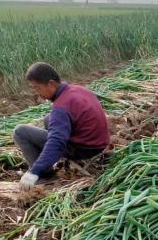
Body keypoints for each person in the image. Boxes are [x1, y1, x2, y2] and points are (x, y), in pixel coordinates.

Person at [13, 62, 110, 191]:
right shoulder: (78, 89)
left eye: (38, 88)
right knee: (48, 119)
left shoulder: (61, 108)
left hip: (84, 148)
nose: (38, 94)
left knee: (20, 131)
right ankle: (47, 162)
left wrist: (34, 172)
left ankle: (46, 176)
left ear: (51, 84)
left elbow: (56, 143)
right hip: (100, 142)